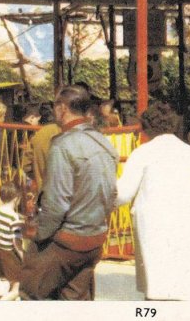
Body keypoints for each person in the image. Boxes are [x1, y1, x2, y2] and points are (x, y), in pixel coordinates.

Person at [20, 85, 118, 301]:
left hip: (67, 240)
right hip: (95, 238)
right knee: (75, 300)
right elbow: (112, 193)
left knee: (30, 291)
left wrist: (40, 236)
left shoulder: (64, 144)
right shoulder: (104, 142)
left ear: (62, 108)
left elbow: (57, 203)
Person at [115, 101, 190, 300]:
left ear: (145, 127)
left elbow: (123, 194)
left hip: (153, 227)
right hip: (187, 223)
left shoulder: (142, 153)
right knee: (184, 282)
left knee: (158, 285)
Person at [0, 182, 25, 301]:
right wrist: (24, 257)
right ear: (16, 199)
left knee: (13, 284)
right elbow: (16, 242)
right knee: (18, 288)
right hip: (10, 256)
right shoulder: (14, 218)